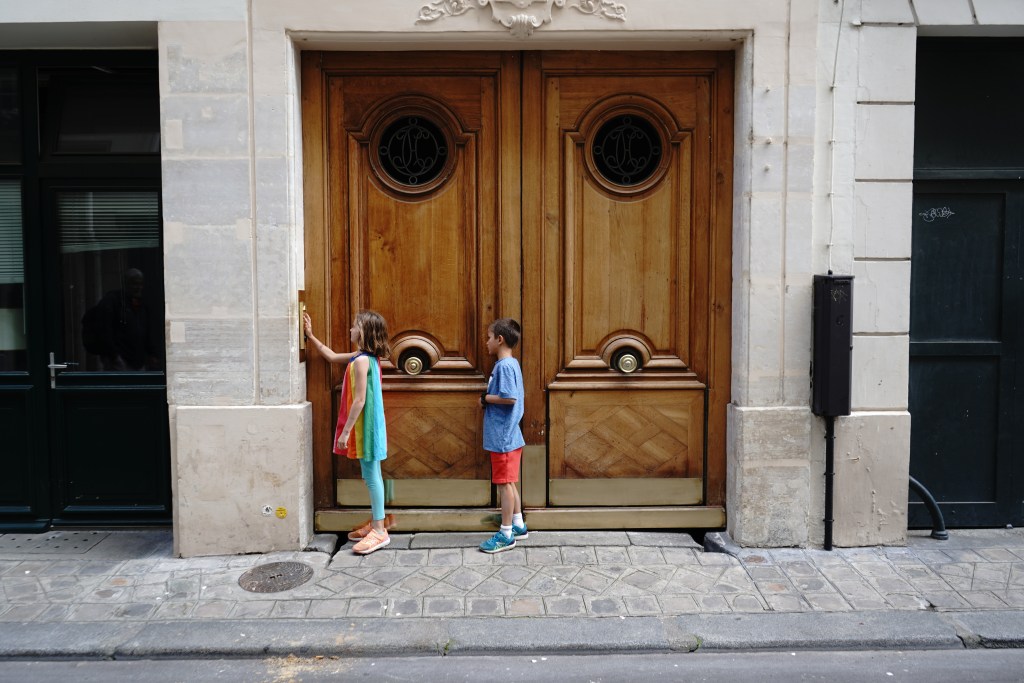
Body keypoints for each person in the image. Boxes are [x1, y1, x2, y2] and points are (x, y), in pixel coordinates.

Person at [304, 310, 393, 555]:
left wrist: (345, 432)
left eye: (354, 326)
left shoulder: (363, 361)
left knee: (372, 476)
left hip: (366, 427)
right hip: (368, 426)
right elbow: (331, 356)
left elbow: (360, 400)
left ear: (363, 332)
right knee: (371, 474)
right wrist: (311, 336)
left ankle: (379, 530)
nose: (350, 330)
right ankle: (378, 522)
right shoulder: (362, 357)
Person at [478, 317, 528, 553]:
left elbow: (509, 398)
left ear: (500, 339)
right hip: (509, 436)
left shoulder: (504, 366)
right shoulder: (511, 364)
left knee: (504, 486)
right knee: (509, 482)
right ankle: (518, 524)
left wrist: (485, 399)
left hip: (503, 438)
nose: (486, 342)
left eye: (489, 337)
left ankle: (506, 534)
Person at [81, 268, 160, 371]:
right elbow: (104, 330)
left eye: (140, 284)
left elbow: (146, 331)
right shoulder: (112, 301)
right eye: (134, 284)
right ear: (125, 284)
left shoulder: (141, 305)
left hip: (137, 360)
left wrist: (152, 353)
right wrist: (114, 356)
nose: (138, 288)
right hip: (119, 360)